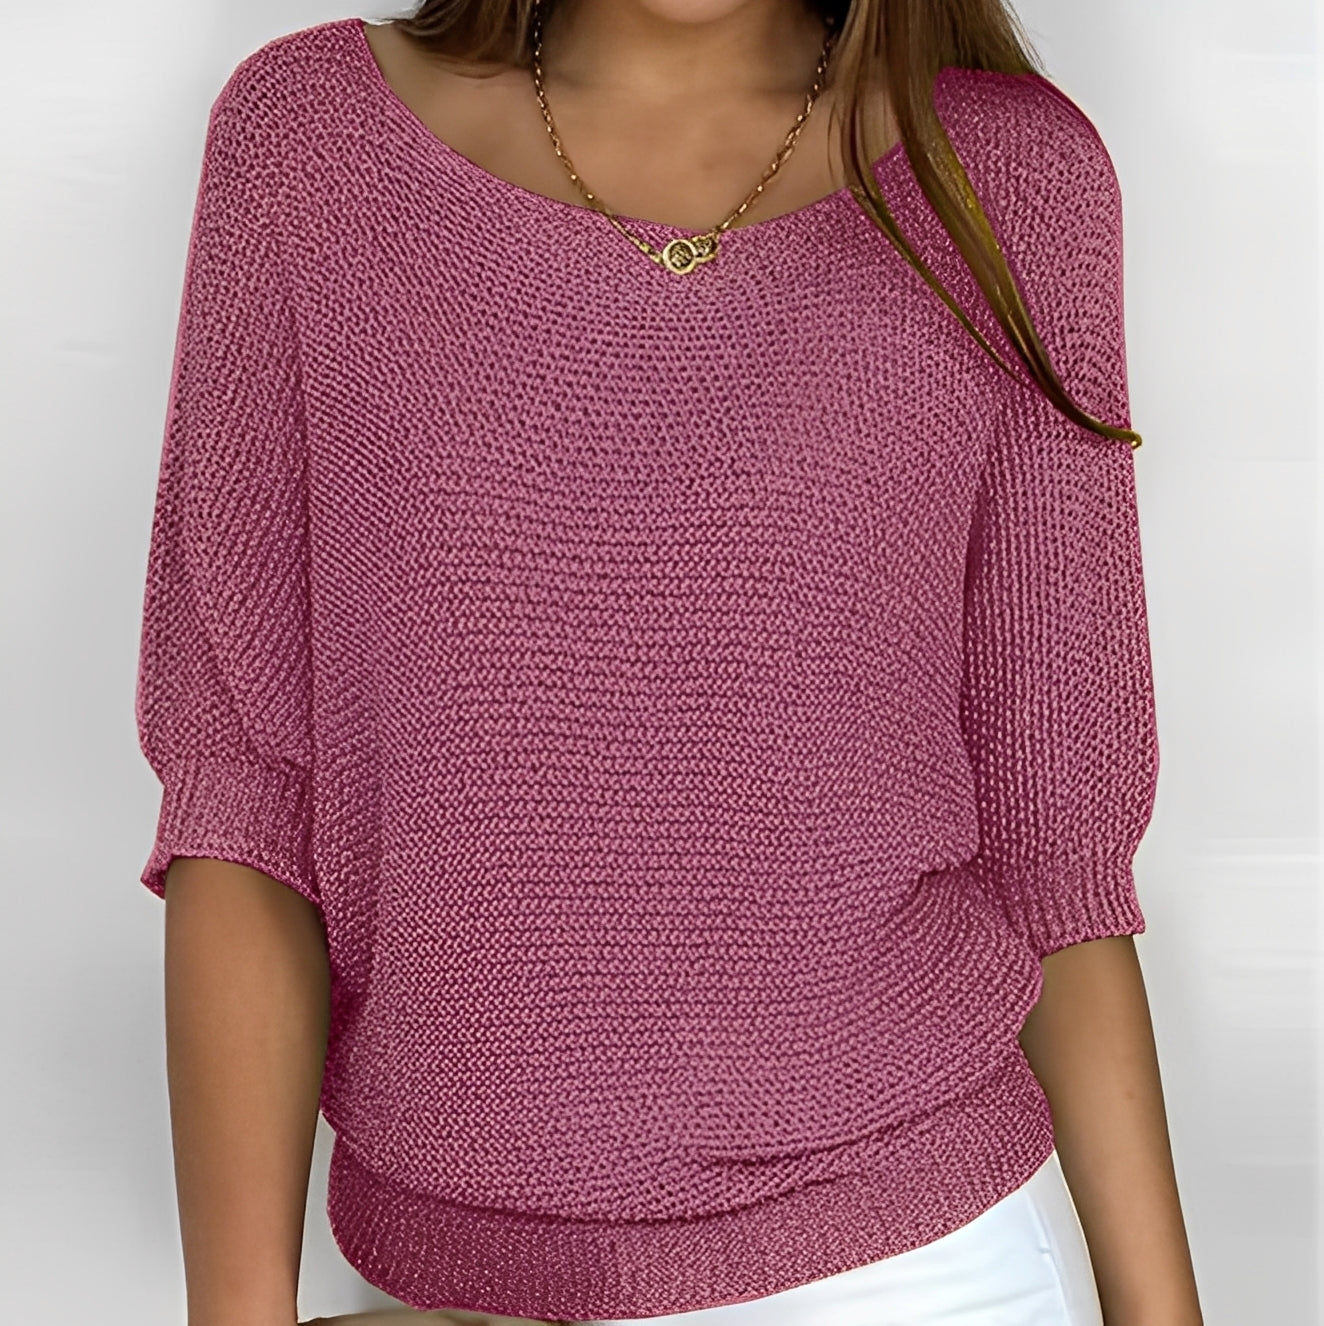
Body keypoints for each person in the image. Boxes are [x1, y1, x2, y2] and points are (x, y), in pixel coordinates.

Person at [134, 2, 1205, 1324]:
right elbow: (243, 792)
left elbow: (1061, 859)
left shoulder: (1007, 178)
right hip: (444, 1277)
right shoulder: (311, 143)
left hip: (901, 1268)